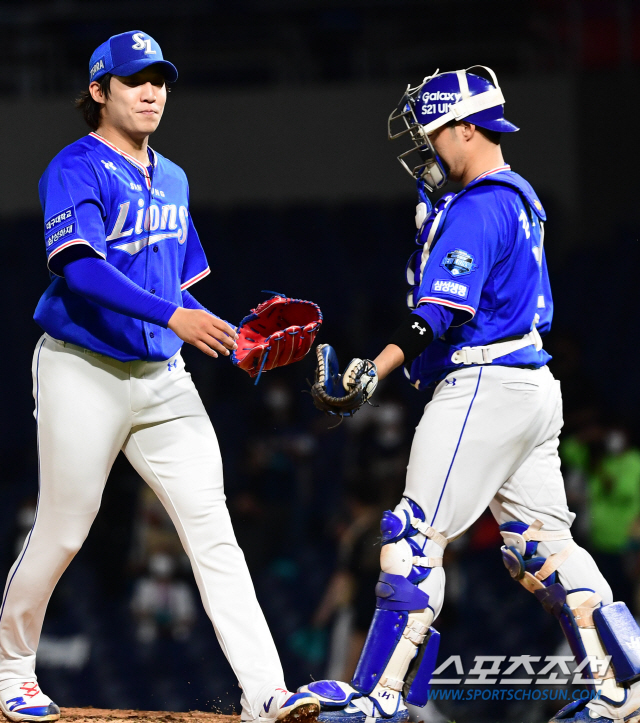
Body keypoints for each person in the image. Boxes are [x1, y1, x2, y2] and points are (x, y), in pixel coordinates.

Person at [300, 67, 640, 723]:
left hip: (484, 384)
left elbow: (437, 312)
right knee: (544, 548)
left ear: (463, 128)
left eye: (431, 134)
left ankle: (381, 697)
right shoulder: (519, 198)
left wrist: (373, 368)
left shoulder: (480, 205)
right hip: (530, 385)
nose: (425, 150)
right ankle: (621, 688)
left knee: (411, 535)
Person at [0, 31, 319, 723]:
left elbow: (176, 286)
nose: (151, 92)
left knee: (213, 528)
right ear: (99, 91)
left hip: (162, 377)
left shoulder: (172, 177)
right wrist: (175, 314)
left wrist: (233, 336)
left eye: (160, 80)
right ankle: (12, 671)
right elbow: (81, 269)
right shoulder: (75, 167)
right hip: (83, 368)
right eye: (135, 80)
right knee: (64, 529)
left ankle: (265, 691)